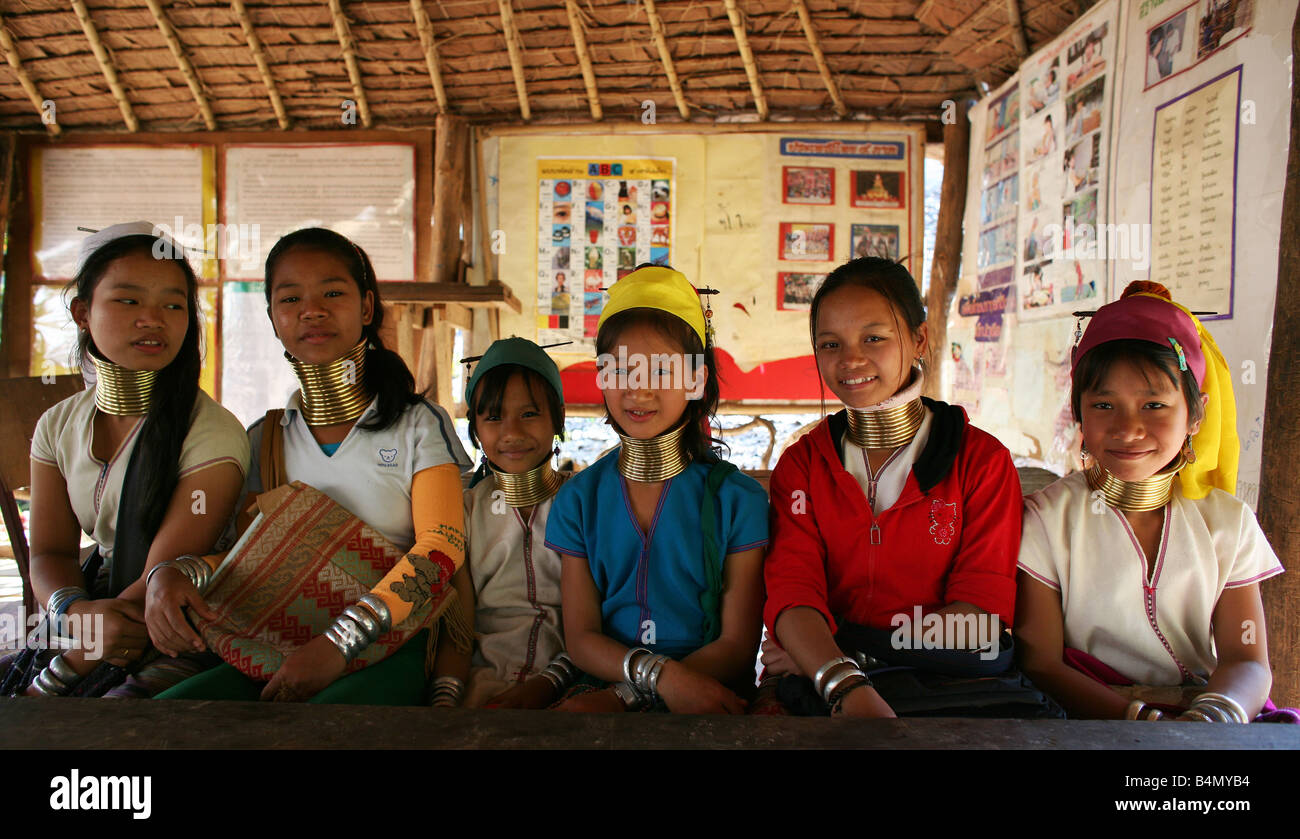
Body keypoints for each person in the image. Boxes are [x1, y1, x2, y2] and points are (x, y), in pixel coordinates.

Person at [153, 227, 472, 704]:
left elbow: (441, 547)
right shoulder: (266, 441)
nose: (313, 310)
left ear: (366, 307)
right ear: (273, 318)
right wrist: (175, 574)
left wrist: (338, 643)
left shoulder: (417, 424)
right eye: (291, 298)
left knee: (321, 727)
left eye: (333, 292)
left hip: (397, 639)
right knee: (174, 714)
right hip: (282, 636)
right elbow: (253, 561)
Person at [1016, 281, 1292, 723]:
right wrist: (1146, 725)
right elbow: (1041, 663)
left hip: (1208, 718)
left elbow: (1246, 658)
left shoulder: (1227, 524)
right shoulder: (1047, 520)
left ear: (1195, 413)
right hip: (1084, 720)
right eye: (1103, 404)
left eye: (1154, 405)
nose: (1128, 429)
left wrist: (1213, 717)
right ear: (1079, 412)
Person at [760, 257, 1022, 717]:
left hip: (944, 693)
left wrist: (837, 651)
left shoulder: (980, 463)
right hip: (824, 691)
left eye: (874, 338)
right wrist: (843, 683)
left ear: (919, 339)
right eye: (830, 343)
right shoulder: (803, 465)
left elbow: (978, 625)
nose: (851, 359)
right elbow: (793, 594)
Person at [2, 222, 249, 699]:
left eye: (173, 305)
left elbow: (158, 582)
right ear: (82, 313)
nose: (152, 319)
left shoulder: (212, 434)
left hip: (182, 618)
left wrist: (57, 675)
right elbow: (51, 552)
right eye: (129, 300)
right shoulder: (58, 424)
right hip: (91, 606)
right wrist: (72, 612)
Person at [544, 266, 768, 713]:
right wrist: (655, 682)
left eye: (662, 371)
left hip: (711, 685)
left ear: (697, 380)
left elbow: (738, 646)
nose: (639, 389)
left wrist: (629, 696)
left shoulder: (739, 502)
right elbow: (584, 638)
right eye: (622, 369)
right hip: (605, 683)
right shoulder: (578, 501)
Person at [429, 338, 577, 709]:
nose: (511, 433)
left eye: (529, 414)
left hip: (571, 684)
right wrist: (444, 701)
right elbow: (456, 626)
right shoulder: (463, 510)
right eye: (493, 417)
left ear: (558, 416)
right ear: (475, 427)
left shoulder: (584, 504)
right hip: (478, 684)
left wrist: (548, 685)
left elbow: (598, 620)